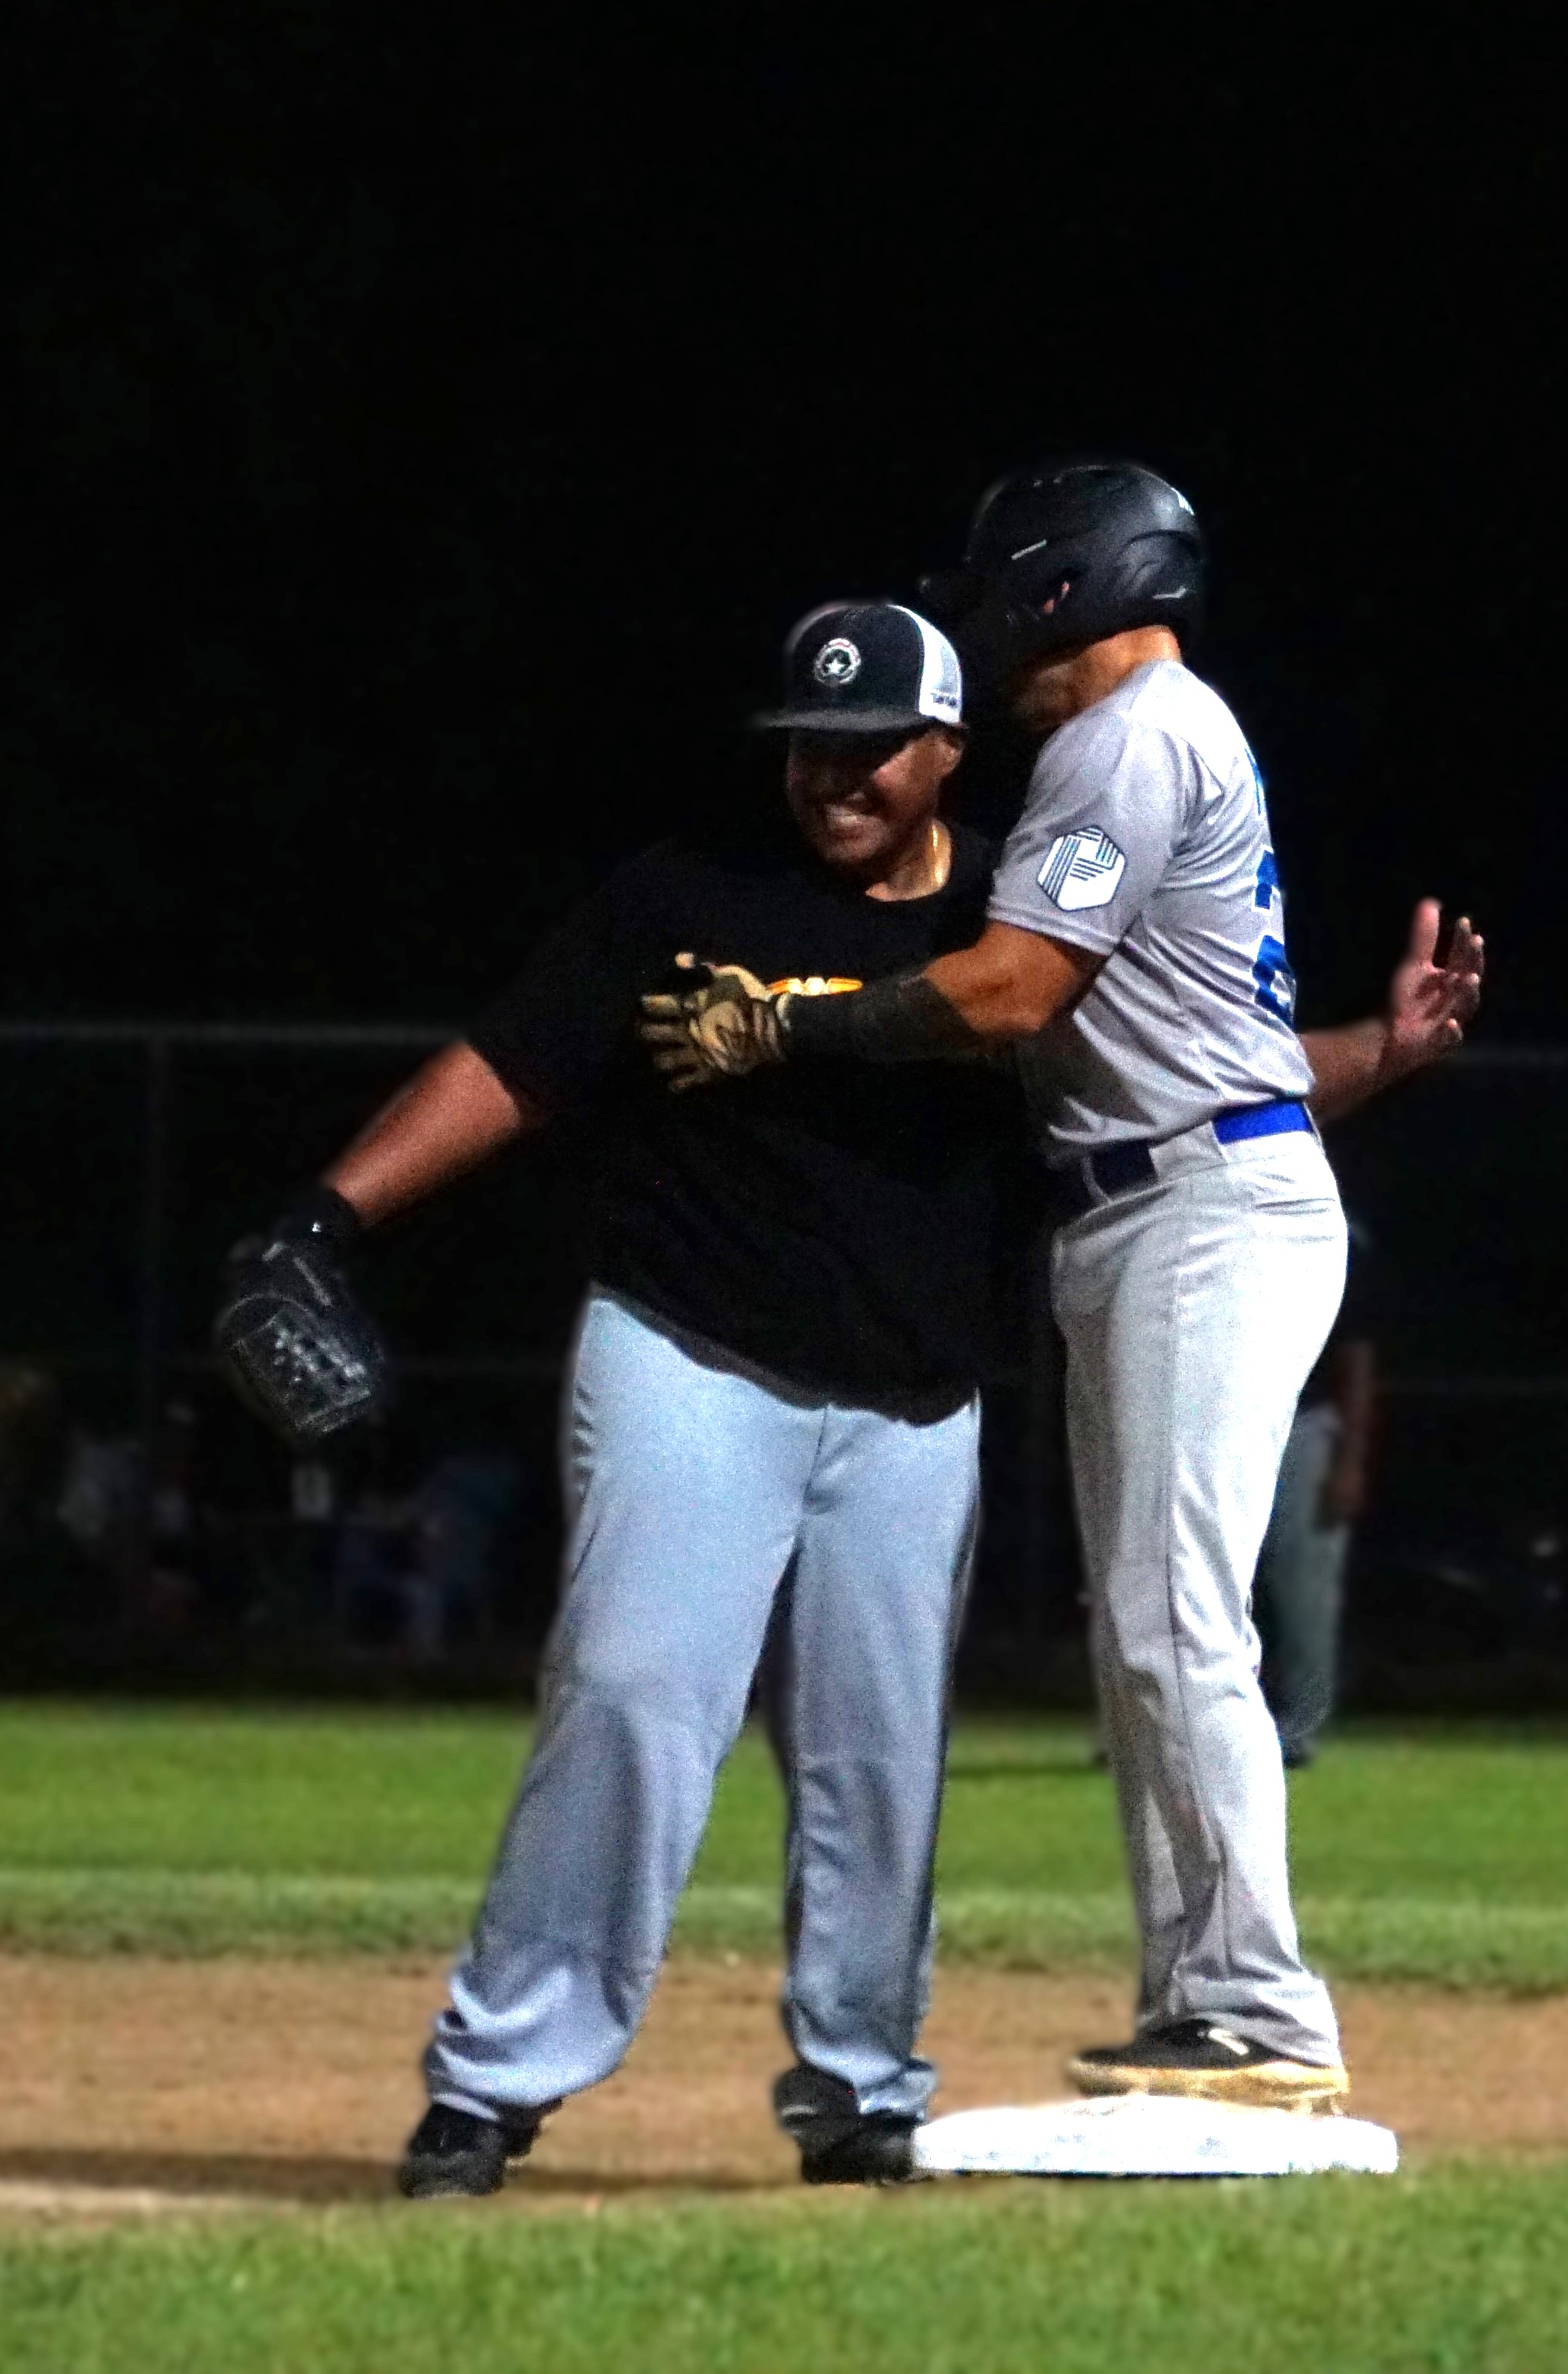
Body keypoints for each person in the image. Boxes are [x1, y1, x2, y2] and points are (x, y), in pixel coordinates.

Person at [640, 460, 1484, 2114]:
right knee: (1149, 1621)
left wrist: (784, 1019)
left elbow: (1017, 989)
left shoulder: (1130, 736)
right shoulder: (1165, 740)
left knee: (1175, 1612)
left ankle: (1259, 2003)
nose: (989, 636)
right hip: (1167, 1196)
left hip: (1197, 1209)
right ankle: (1203, 2001)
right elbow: (1217, 1050)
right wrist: (1384, 1052)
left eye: (1001, 596)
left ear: (1069, 585)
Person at [218, 599, 1012, 2194]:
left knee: (879, 1758)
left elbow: (1194, 1072)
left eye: (870, 748)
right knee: (635, 1697)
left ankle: (863, 2088)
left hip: (919, 1406)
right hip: (690, 1355)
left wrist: (1376, 1054)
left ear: (946, 750)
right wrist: (327, 1214)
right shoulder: (684, 894)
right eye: (811, 743)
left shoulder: (1011, 930)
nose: (834, 773)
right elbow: (514, 1061)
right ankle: (495, 2078)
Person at [1257, 1211, 1377, 1766]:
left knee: (1303, 1585)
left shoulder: (1333, 1230)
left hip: (1305, 1424)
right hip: (1227, 1415)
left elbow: (1356, 1357)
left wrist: (1349, 1460)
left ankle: (1298, 1727)